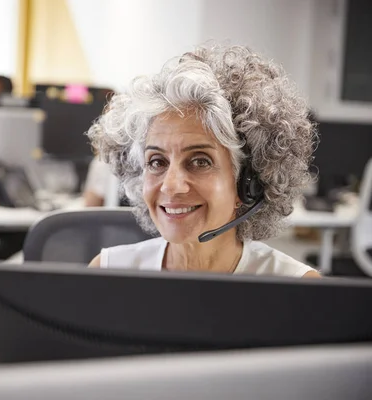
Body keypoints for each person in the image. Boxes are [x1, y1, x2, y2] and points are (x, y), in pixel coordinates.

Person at [87, 44, 320, 278]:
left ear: (250, 183)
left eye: (200, 162)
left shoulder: (298, 289)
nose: (170, 185)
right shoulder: (107, 273)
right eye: (157, 162)